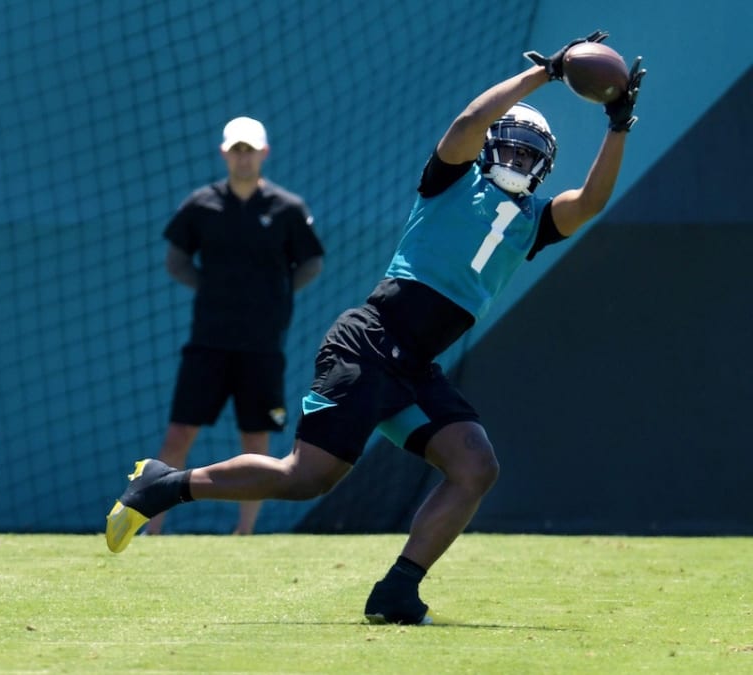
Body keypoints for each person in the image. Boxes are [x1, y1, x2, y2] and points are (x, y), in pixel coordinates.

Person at [106, 31, 645, 624]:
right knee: (306, 478)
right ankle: (165, 485)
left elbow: (591, 201)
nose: (516, 161)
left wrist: (617, 124)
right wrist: (547, 73)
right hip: (369, 341)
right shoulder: (449, 181)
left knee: (475, 466)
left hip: (415, 366)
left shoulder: (534, 223)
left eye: (527, 155)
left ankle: (396, 590)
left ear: (541, 167)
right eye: (509, 149)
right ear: (492, 148)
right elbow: (469, 118)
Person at [148, 115, 324, 536]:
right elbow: (176, 260)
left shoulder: (288, 209)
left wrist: (274, 298)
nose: (243, 158)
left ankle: (244, 534)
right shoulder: (200, 205)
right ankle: (152, 530)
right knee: (179, 433)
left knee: (256, 437)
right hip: (208, 340)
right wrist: (210, 290)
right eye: (236, 150)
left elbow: (311, 263)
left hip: (262, 345)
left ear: (264, 154)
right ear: (225, 154)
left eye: (250, 150)